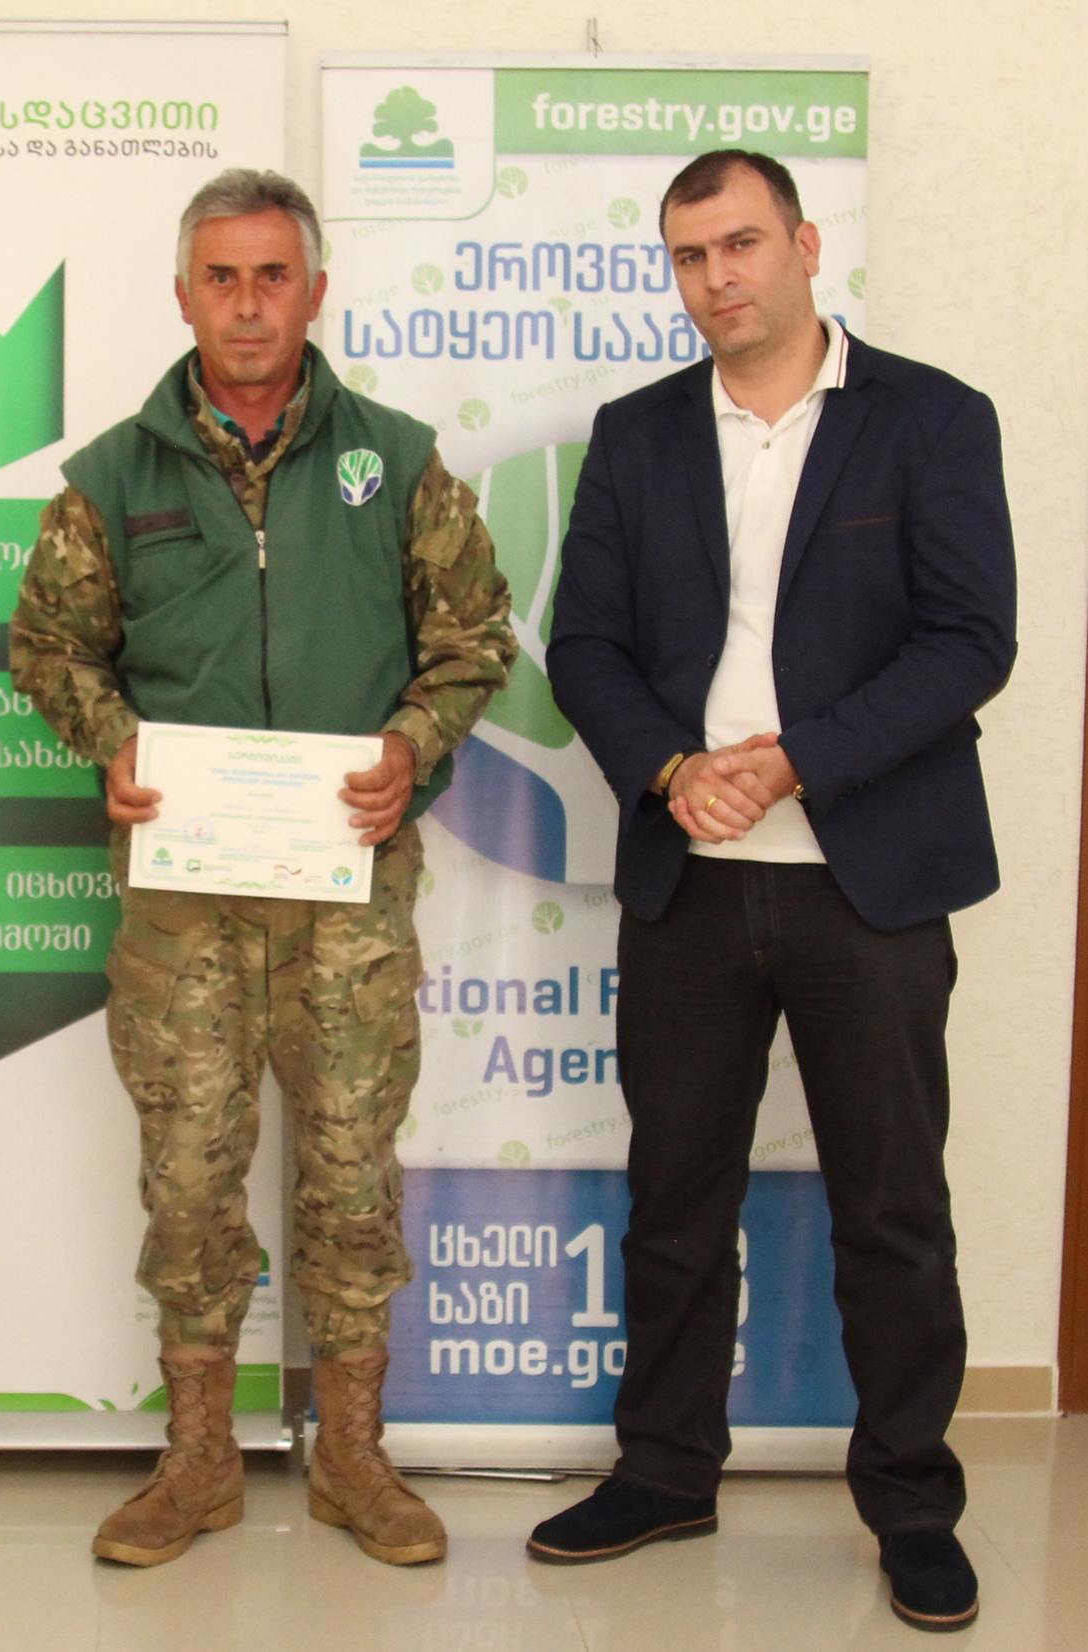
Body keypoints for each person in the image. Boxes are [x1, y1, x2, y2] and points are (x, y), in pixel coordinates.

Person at [10, 168, 516, 1568]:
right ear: (184, 295)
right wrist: (108, 739)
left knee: (351, 1181)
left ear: (314, 292)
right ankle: (198, 1463)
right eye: (221, 278)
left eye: (272, 277)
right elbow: (46, 646)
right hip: (185, 911)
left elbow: (474, 636)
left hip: (348, 899)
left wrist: (413, 745)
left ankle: (352, 1455)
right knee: (188, 1183)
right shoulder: (112, 478)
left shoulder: (396, 461)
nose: (247, 305)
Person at [538, 151, 1015, 1632]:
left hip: (869, 880)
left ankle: (911, 1503)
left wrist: (795, 762)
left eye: (739, 243)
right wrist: (674, 769)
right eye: (689, 256)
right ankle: (665, 1468)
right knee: (676, 1197)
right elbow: (584, 645)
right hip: (689, 875)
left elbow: (968, 641)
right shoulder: (635, 434)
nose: (716, 278)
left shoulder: (932, 418)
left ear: (805, 245)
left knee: (892, 1208)